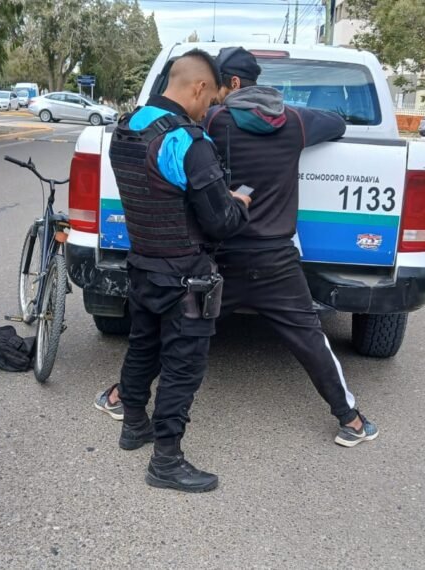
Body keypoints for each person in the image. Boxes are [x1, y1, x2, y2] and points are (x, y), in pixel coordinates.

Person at [97, 47, 377, 448]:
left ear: (229, 84)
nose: (212, 99)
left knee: (170, 332)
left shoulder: (210, 120)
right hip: (275, 261)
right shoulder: (295, 121)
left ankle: (120, 397)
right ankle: (349, 420)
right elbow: (335, 123)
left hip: (217, 259)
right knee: (309, 337)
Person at [107, 48, 251, 493]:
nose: (208, 110)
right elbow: (220, 222)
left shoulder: (127, 127)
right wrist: (239, 203)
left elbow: (155, 192)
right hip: (184, 276)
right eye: (209, 102)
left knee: (142, 346)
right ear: (199, 87)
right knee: (182, 367)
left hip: (142, 265)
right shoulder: (188, 142)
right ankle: (166, 462)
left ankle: (134, 425)